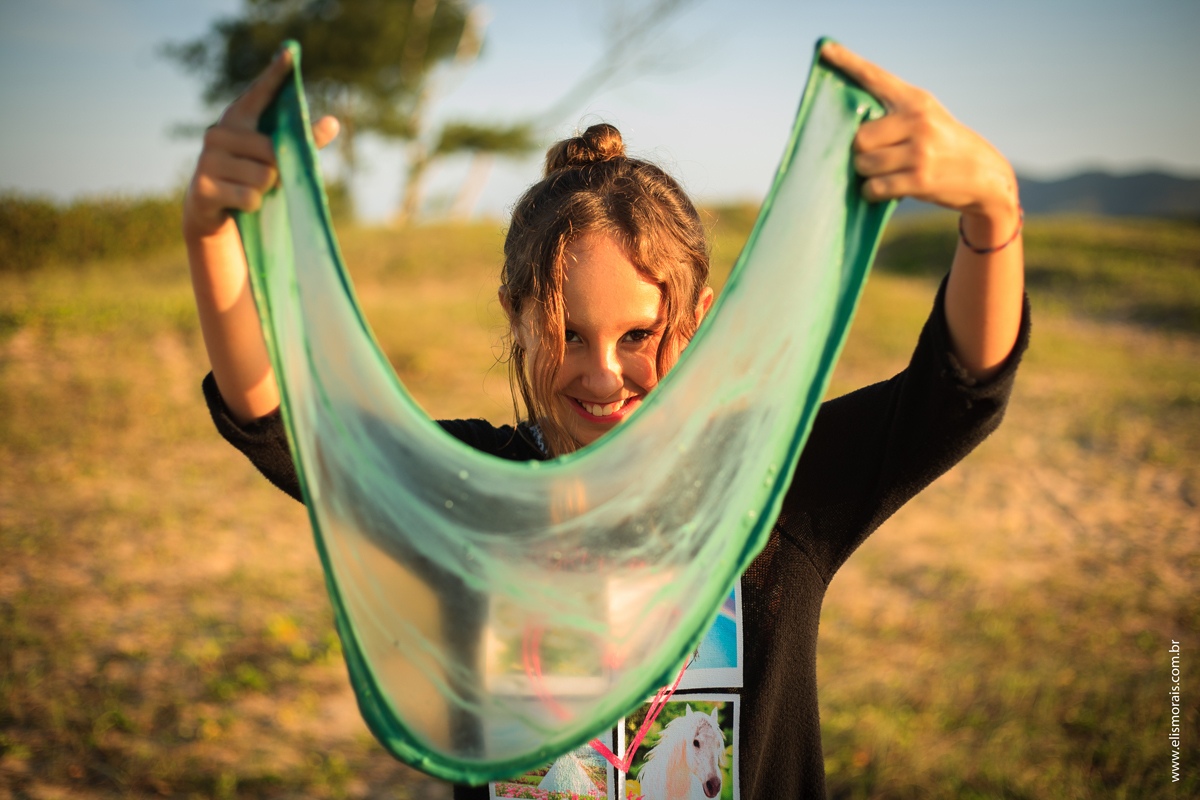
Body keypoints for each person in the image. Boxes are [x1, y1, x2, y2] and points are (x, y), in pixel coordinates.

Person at [185, 41, 1029, 800]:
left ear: (695, 316)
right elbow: (281, 421)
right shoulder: (465, 491)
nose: (603, 372)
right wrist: (214, 235)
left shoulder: (773, 484)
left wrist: (992, 211)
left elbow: (954, 393)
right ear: (515, 316)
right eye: (566, 334)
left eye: (639, 335)